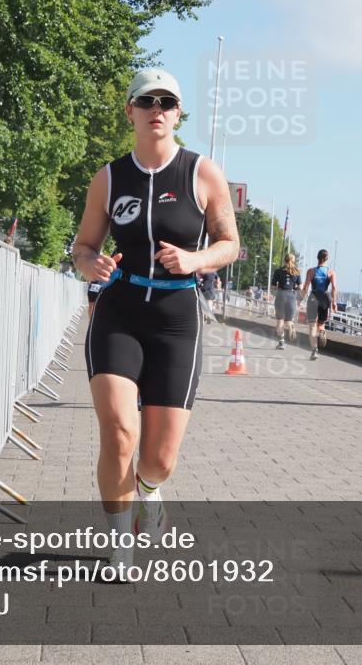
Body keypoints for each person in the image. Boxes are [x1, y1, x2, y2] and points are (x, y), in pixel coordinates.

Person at [72, 68, 239, 577]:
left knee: (159, 458)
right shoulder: (109, 177)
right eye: (147, 101)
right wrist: (89, 263)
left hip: (176, 321)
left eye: (168, 102)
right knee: (120, 430)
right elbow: (82, 247)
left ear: (179, 113)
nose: (158, 109)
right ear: (130, 111)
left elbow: (231, 244)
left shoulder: (202, 173)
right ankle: (120, 547)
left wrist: (197, 261)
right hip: (119, 314)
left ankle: (150, 490)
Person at [301, 249, 337, 361]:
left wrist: (300, 298)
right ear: (327, 259)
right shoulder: (331, 272)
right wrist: (334, 302)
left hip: (313, 298)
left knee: (312, 326)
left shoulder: (311, 271)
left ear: (317, 258)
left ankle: (314, 350)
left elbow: (306, 288)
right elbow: (334, 288)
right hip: (325, 299)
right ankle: (321, 331)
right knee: (320, 324)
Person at [271, 253, 301, 349]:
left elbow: (273, 286)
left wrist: (275, 290)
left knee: (280, 320)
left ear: (284, 260)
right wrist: (295, 291)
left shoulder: (278, 271)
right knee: (289, 320)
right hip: (291, 296)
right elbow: (300, 287)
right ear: (293, 261)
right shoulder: (296, 272)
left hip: (281, 295)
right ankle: (291, 326)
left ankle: (281, 342)